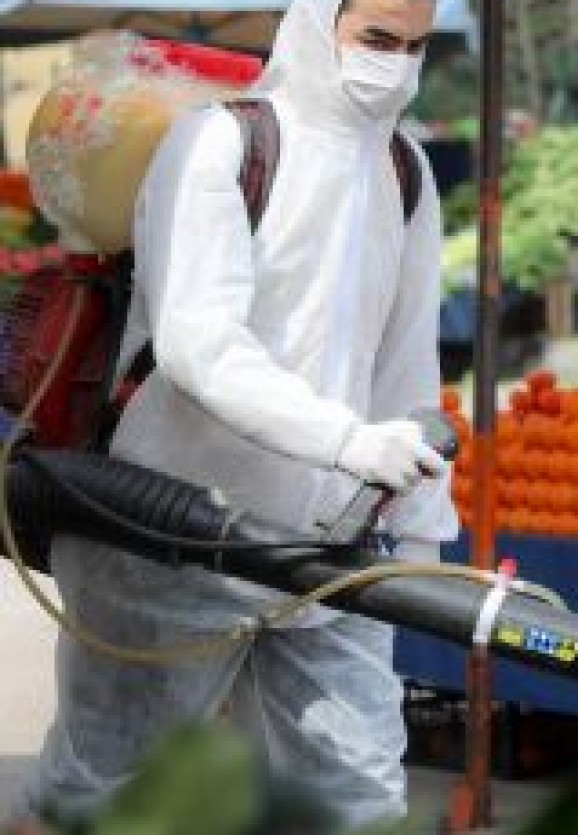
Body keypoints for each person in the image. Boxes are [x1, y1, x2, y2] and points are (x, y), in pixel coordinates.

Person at [13, 0, 456, 826]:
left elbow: (406, 368)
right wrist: (348, 440)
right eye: (378, 41)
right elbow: (198, 343)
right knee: (114, 795)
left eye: (416, 47)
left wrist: (418, 544)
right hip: (168, 532)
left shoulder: (406, 172)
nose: (396, 66)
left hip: (332, 548)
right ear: (318, 23)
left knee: (357, 798)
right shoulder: (222, 142)